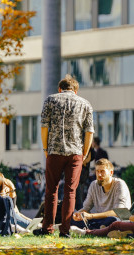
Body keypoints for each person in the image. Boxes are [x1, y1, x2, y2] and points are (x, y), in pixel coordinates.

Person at [35, 75, 95, 237]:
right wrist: (84, 153)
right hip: (75, 153)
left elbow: (44, 127)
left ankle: (47, 228)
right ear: (75, 90)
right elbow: (89, 131)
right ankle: (65, 231)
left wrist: (45, 148)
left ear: (60, 89)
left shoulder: (50, 100)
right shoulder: (85, 104)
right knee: (70, 192)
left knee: (51, 191)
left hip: (54, 150)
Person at [73, 159, 131, 229]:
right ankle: (98, 229)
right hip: (100, 220)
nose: (99, 174)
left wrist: (91, 216)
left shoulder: (120, 184)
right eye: (97, 171)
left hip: (120, 220)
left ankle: (92, 229)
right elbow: (86, 208)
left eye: (102, 171)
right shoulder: (94, 185)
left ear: (111, 173)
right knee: (71, 219)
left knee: (113, 220)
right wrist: (77, 215)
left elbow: (118, 212)